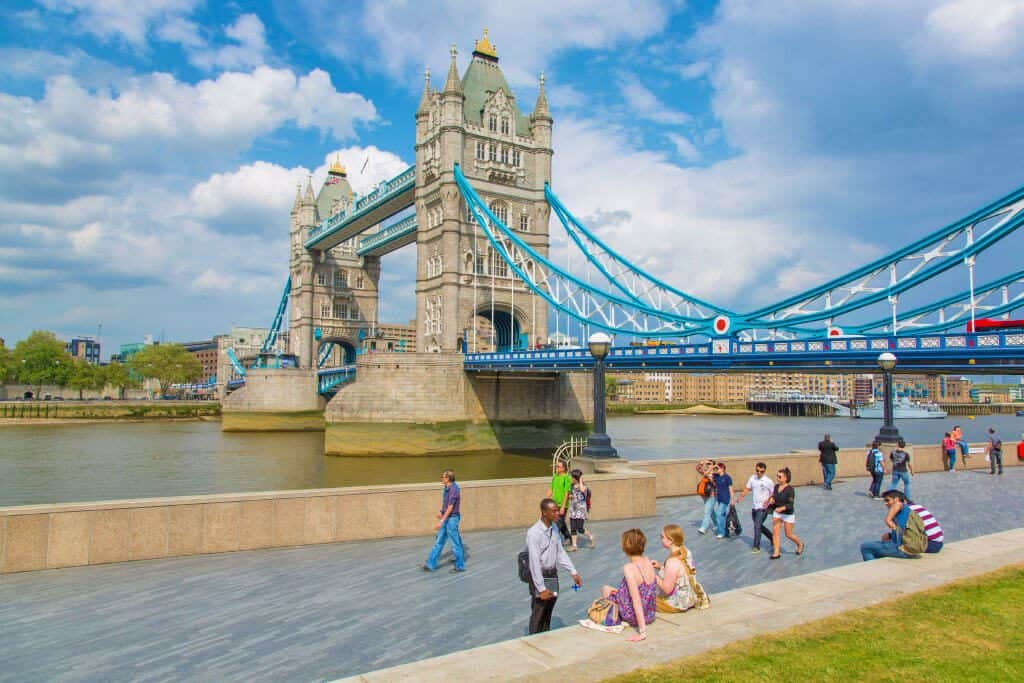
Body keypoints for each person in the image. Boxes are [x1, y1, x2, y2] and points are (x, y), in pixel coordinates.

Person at [589, 529, 657, 642]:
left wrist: (642, 632)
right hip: (649, 613)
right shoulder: (647, 560)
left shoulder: (629, 568)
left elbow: (636, 601)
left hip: (633, 616)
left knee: (605, 589)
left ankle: (616, 618)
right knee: (611, 589)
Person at [526, 498, 582, 634]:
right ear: (544, 512)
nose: (558, 513)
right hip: (540, 576)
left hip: (552, 574)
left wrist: (573, 571)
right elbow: (534, 563)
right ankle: (533, 640)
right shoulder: (534, 533)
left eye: (557, 510)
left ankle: (545, 637)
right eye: (554, 511)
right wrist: (541, 588)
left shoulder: (554, 528)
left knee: (548, 609)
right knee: (538, 613)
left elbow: (560, 553)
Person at [860, 490, 943, 561]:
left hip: (927, 544)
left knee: (866, 547)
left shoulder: (903, 510)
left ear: (897, 500)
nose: (885, 504)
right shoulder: (918, 507)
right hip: (937, 543)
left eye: (887, 500)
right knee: (886, 540)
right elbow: (909, 530)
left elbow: (900, 533)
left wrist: (888, 520)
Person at [653, 524, 710, 613]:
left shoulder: (672, 562)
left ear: (670, 540)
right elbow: (680, 573)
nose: (661, 539)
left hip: (679, 603)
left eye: (662, 537)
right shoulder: (685, 552)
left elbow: (667, 589)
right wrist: (660, 567)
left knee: (644, 598)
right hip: (691, 596)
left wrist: (653, 576)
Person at [422, 469, 466, 573]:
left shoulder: (454, 489)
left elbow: (450, 508)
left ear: (448, 478)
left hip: (452, 520)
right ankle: (430, 564)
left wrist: (441, 521)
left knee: (455, 544)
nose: (441, 478)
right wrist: (441, 513)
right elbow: (446, 506)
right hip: (447, 518)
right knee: (439, 541)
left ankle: (460, 566)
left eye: (442, 477)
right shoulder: (446, 488)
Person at [735, 462, 774, 554]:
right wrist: (741, 496)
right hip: (754, 507)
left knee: (757, 526)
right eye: (757, 471)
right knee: (759, 525)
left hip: (763, 508)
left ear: (764, 471)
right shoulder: (752, 478)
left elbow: (773, 492)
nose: (759, 473)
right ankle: (772, 537)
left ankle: (756, 546)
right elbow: (747, 488)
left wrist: (768, 500)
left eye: (761, 471)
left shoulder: (768, 481)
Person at [767, 467, 803, 559]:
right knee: (775, 532)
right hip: (777, 513)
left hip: (787, 514)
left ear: (785, 478)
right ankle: (776, 552)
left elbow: (790, 505)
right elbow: (774, 496)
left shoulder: (790, 490)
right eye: (777, 476)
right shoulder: (776, 487)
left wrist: (782, 508)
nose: (777, 478)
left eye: (779, 477)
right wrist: (772, 499)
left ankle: (800, 544)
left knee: (788, 534)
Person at [567, 469, 595, 551]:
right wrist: (570, 496)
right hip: (573, 509)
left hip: (580, 510)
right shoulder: (571, 486)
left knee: (580, 528)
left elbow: (582, 490)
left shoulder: (583, 487)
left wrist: (580, 480)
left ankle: (591, 536)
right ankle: (574, 546)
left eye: (572, 477)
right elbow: (571, 495)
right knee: (572, 528)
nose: (571, 479)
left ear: (576, 478)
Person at [548, 461, 572, 541]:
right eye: (556, 466)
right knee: (560, 522)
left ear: (563, 468)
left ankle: (552, 541)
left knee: (558, 523)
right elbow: (551, 489)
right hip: (554, 504)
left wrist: (563, 507)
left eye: (558, 466)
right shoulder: (555, 477)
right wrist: (546, 500)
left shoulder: (566, 478)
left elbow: (566, 493)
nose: (556, 468)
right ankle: (568, 536)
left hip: (563, 504)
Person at [711, 462, 734, 539]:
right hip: (719, 499)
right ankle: (725, 531)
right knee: (722, 516)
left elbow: (731, 489)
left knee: (718, 514)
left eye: (718, 468)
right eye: (716, 468)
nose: (716, 469)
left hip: (725, 499)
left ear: (723, 469)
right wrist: (713, 467)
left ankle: (721, 532)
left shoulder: (727, 477)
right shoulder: (716, 476)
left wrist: (732, 500)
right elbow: (706, 474)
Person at [696, 459, 717, 535]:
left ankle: (703, 528)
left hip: (712, 495)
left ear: (713, 465)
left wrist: (710, 472)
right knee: (711, 511)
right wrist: (700, 464)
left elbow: (715, 484)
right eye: (707, 464)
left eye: (709, 464)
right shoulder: (706, 472)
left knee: (707, 511)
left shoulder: (716, 473)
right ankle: (717, 524)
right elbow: (698, 469)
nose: (707, 465)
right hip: (704, 495)